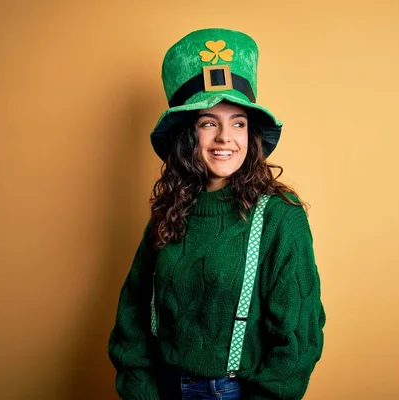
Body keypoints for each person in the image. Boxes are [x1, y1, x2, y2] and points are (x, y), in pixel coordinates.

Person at [108, 27, 325, 400]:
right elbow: (133, 314)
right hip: (164, 389)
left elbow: (298, 341)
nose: (225, 137)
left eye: (238, 123)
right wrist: (141, 391)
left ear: (250, 134)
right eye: (209, 122)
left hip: (232, 393)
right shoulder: (168, 214)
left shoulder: (280, 219)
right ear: (187, 136)